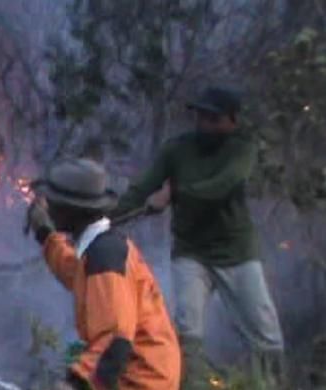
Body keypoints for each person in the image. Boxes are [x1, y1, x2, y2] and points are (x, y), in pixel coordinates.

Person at [110, 86, 286, 389]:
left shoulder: (242, 149)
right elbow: (142, 188)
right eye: (201, 116)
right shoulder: (177, 149)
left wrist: (173, 193)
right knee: (187, 328)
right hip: (191, 252)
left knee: (266, 332)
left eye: (213, 118)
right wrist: (107, 218)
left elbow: (222, 186)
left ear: (231, 121)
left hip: (237, 252)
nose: (204, 124)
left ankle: (272, 385)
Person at [26, 158, 181, 390]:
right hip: (137, 373)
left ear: (72, 211)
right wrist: (45, 234)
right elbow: (74, 273)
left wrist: (75, 382)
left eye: (53, 203)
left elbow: (116, 338)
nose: (47, 207)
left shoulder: (105, 256)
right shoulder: (99, 250)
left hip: (143, 381)